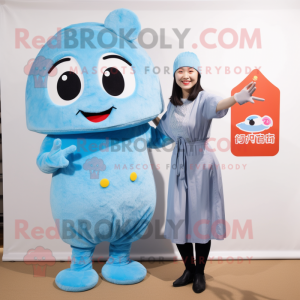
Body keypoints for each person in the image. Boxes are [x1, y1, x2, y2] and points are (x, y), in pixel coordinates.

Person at [152, 51, 261, 294]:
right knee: (179, 219)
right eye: (180, 71)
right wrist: (152, 119)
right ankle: (188, 269)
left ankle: (199, 273)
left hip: (201, 164)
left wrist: (235, 98)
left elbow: (217, 105)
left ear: (198, 73)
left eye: (190, 70)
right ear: (175, 75)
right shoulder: (172, 105)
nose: (186, 75)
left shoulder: (204, 98)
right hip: (180, 165)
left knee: (200, 221)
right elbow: (167, 133)